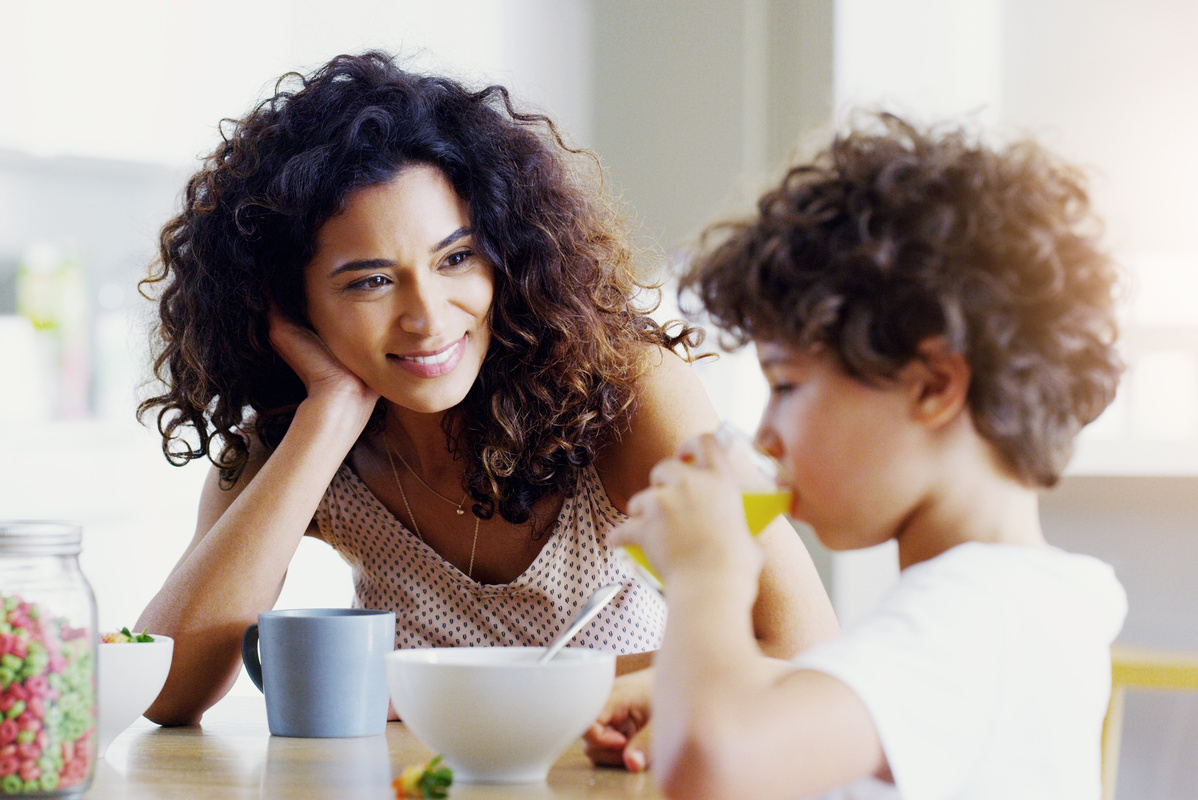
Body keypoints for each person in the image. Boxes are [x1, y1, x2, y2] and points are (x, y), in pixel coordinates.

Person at [133, 51, 838, 726]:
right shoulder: (297, 442)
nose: (428, 318)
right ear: (288, 303)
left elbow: (803, 644)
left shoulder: (626, 392)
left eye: (457, 258)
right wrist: (328, 420)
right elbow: (165, 692)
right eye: (371, 280)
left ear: (506, 250)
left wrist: (450, 692)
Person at [607, 113, 1128, 798]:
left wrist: (710, 570)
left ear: (934, 384)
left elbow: (710, 771)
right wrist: (737, 684)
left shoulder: (971, 615)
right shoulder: (1033, 598)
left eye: (786, 385)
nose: (765, 436)